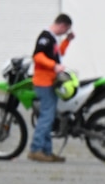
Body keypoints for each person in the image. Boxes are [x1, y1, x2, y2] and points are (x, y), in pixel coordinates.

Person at [30, 14, 75, 163]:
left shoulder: (53, 39)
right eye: (66, 30)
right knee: (46, 117)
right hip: (44, 83)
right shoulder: (45, 37)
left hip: (50, 82)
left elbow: (58, 54)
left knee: (49, 118)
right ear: (62, 25)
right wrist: (53, 66)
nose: (65, 33)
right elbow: (37, 56)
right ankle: (35, 149)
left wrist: (67, 41)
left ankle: (46, 152)